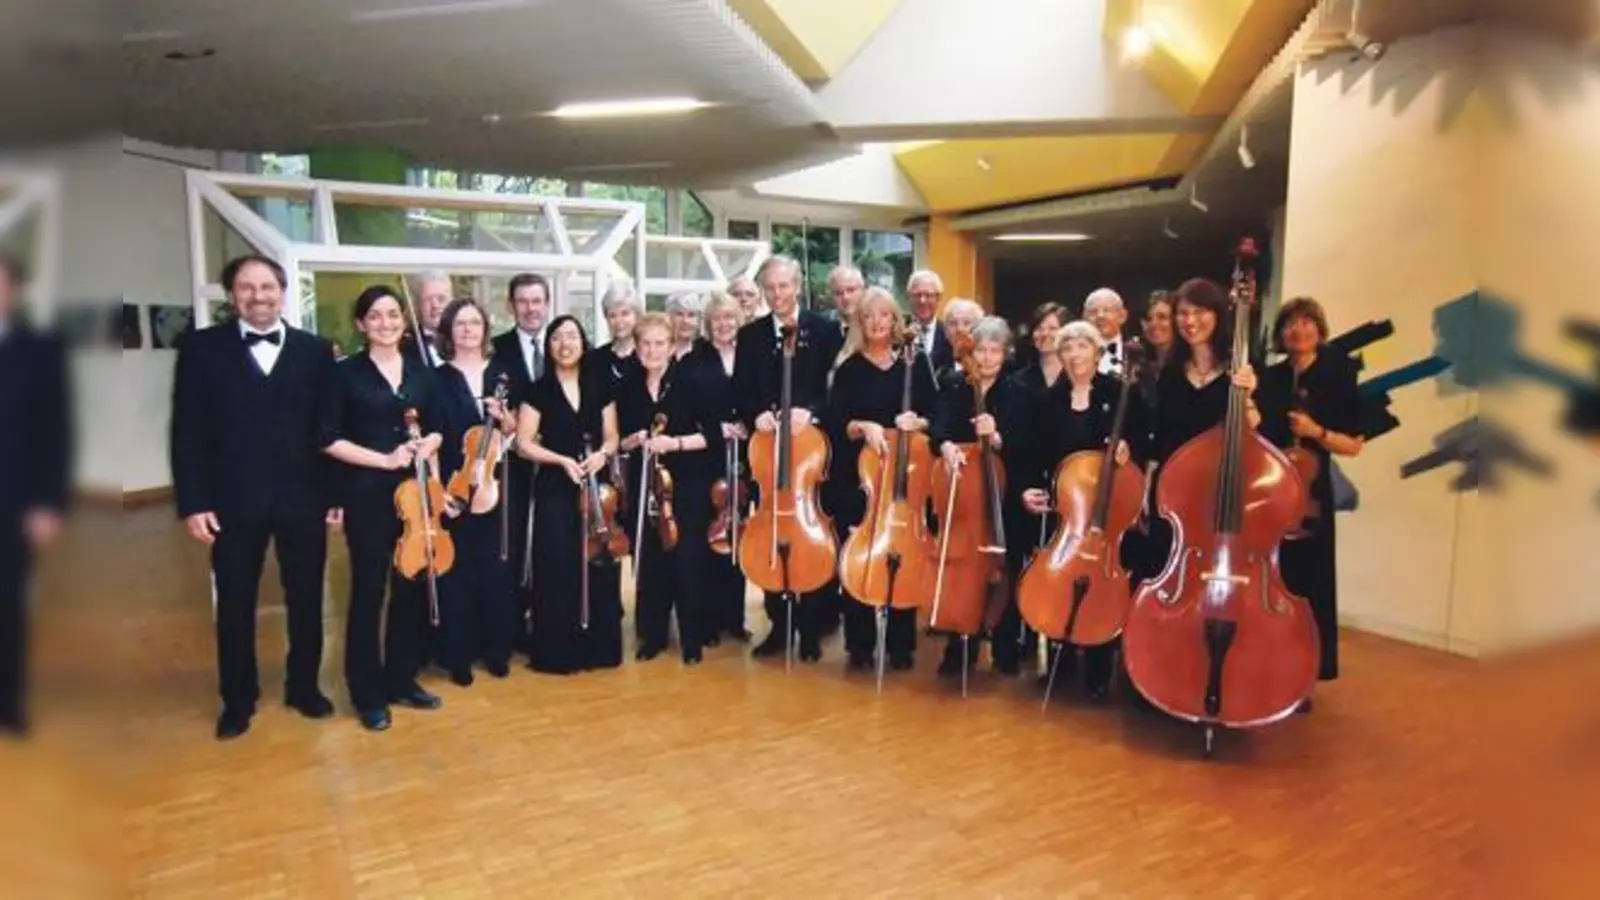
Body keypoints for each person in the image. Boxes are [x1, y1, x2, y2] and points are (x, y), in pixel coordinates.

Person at [170, 254, 337, 741]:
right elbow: (187, 431)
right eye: (247, 287)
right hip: (230, 504)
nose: (258, 296)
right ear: (231, 296)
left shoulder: (315, 351)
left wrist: (333, 495)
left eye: (267, 286)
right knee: (235, 603)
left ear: (283, 293)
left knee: (306, 598)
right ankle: (237, 700)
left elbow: (327, 430)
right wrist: (193, 502)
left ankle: (304, 687)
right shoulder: (201, 350)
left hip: (303, 500)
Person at [320, 285, 448, 732]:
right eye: (375, 316)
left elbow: (436, 432)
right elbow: (329, 439)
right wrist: (386, 459)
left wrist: (432, 444)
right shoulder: (344, 375)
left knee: (410, 585)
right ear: (361, 324)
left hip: (414, 497)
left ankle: (401, 677)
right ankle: (366, 691)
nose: (386, 322)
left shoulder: (421, 374)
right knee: (370, 591)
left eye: (393, 314)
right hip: (368, 494)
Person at [1018, 321, 1144, 700]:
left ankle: (1100, 663)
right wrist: (1027, 489)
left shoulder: (1120, 394)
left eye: (1082, 347)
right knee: (1058, 577)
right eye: (1067, 349)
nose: (1074, 355)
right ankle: (1060, 655)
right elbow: (1031, 453)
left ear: (1097, 352)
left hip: (1107, 511)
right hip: (1066, 509)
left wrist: (1128, 447)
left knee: (1102, 580)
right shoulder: (1047, 401)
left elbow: (1141, 435)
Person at [732, 255, 844, 662]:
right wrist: (756, 412)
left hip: (810, 454)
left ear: (797, 286)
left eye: (784, 286)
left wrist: (810, 413)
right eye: (771, 287)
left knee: (810, 541)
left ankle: (811, 630)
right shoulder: (752, 336)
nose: (778, 294)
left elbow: (836, 390)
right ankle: (779, 627)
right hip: (767, 449)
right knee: (769, 536)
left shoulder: (827, 331)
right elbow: (742, 391)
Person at [1257, 297, 1364, 694]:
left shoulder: (1338, 372)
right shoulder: (1272, 378)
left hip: (1311, 498)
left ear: (1319, 328)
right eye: (1289, 324)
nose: (1297, 330)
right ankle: (1266, 660)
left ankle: (1304, 673)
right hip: (1271, 490)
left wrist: (1316, 431)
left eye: (1306, 322)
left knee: (1311, 583)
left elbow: (1353, 445)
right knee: (1271, 580)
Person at [827, 287, 937, 671]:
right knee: (859, 553)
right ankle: (860, 642)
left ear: (895, 321)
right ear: (860, 322)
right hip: (861, 479)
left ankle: (901, 642)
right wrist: (863, 426)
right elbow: (835, 422)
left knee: (902, 552)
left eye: (884, 315)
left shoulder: (915, 363)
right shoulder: (850, 369)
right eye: (869, 316)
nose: (877, 322)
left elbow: (935, 417)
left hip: (906, 477)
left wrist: (918, 422)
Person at [513, 315, 624, 674]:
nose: (565, 343)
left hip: (596, 485)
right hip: (555, 487)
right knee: (558, 564)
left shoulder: (600, 384)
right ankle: (559, 651)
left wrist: (602, 455)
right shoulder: (536, 390)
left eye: (572, 336)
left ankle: (600, 648)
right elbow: (523, 444)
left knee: (599, 562)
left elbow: (612, 436)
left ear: (583, 343)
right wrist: (560, 460)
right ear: (549, 346)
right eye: (557, 337)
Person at [929, 315, 1031, 676]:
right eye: (981, 350)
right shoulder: (956, 385)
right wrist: (945, 446)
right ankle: (961, 644)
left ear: (1005, 354)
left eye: (994, 351)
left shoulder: (1018, 389)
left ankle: (1005, 644)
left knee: (1006, 567)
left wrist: (998, 437)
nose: (986, 358)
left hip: (1004, 493)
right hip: (963, 490)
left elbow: (1026, 443)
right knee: (964, 570)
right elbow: (938, 426)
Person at [616, 312, 717, 665]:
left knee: (687, 561)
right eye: (645, 343)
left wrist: (673, 444)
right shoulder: (628, 385)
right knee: (650, 562)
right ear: (636, 347)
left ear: (672, 346)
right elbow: (619, 443)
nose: (652, 350)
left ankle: (691, 639)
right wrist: (634, 440)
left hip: (686, 484)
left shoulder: (692, 381)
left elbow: (712, 436)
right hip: (644, 484)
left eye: (660, 343)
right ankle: (653, 635)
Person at [432, 298, 519, 685]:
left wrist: (505, 419)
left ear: (485, 330)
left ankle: (496, 650)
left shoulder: (503, 373)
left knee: (496, 570)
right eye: (460, 324)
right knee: (457, 574)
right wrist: (438, 493)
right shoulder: (436, 378)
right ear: (449, 331)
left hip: (495, 490)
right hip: (455, 488)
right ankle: (459, 657)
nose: (468, 330)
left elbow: (518, 432)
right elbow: (433, 440)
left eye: (475, 323)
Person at [0, 255, 70, 738]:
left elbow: (55, 432)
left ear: (14, 292)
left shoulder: (40, 351)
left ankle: (9, 703)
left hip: (13, 503)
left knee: (8, 606)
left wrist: (48, 503)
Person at [491, 273, 552, 657]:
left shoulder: (569, 346)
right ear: (511, 306)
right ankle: (511, 627)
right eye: (523, 301)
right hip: (512, 466)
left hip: (554, 466)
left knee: (549, 546)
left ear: (547, 304)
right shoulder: (495, 350)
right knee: (512, 546)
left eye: (537, 301)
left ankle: (545, 624)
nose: (531, 308)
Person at [686, 291, 750, 643]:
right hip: (706, 456)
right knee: (706, 538)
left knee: (737, 535)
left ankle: (735, 619)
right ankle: (707, 622)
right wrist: (717, 429)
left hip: (741, 457)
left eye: (730, 318)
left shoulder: (749, 356)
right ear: (708, 325)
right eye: (717, 320)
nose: (724, 324)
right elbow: (689, 408)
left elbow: (757, 399)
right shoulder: (696, 357)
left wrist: (745, 425)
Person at [588, 279, 642, 390]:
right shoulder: (594, 359)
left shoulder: (648, 355)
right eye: (612, 315)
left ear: (637, 315)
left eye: (625, 313)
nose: (619, 321)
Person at [1083, 288, 1130, 376]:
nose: (1100, 316)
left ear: (1122, 316)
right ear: (1085, 318)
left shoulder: (1136, 351)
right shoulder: (1076, 352)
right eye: (1093, 311)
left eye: (1107, 310)